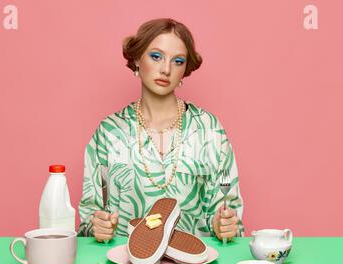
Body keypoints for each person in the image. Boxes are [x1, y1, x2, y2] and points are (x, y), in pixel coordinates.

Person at [78, 18, 244, 243]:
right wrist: (97, 225)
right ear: (137, 58)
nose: (166, 69)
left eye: (178, 61)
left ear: (185, 69)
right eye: (156, 57)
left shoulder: (209, 130)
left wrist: (222, 224)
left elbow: (228, 212)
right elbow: (89, 219)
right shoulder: (110, 133)